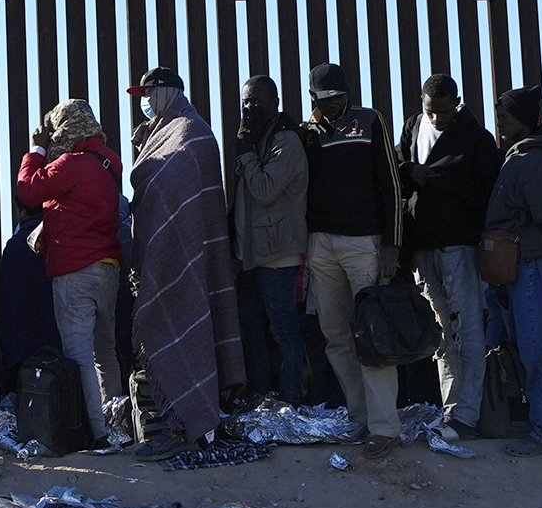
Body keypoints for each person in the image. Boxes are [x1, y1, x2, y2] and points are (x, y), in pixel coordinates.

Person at [125, 67, 246, 450]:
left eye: (150, 93)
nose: (145, 101)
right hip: (160, 261)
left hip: (190, 256)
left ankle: (193, 423)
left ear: (169, 92)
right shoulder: (155, 136)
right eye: (142, 95)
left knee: (192, 322)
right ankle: (173, 422)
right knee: (167, 330)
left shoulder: (193, 133)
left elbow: (184, 194)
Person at [299, 62, 405, 443]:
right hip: (320, 244)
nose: (332, 103)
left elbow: (392, 185)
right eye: (324, 98)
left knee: (372, 335)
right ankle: (360, 417)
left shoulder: (370, 121)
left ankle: (385, 428)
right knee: (336, 336)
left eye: (338, 96)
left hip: (364, 243)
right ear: (313, 98)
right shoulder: (306, 133)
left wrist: (392, 243)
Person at [17, 99, 131, 443]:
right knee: (105, 352)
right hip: (107, 268)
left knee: (80, 354)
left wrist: (37, 150)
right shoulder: (110, 161)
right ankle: (116, 426)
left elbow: (28, 191)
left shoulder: (71, 164)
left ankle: (97, 433)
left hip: (74, 270)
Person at [398, 75, 500, 434]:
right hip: (423, 247)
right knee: (442, 334)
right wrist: (410, 171)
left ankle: (465, 415)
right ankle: (451, 412)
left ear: (457, 103)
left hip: (458, 246)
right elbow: (396, 168)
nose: (437, 118)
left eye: (444, 111)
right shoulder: (413, 127)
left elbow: (487, 193)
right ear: (422, 103)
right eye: (431, 111)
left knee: (467, 330)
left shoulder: (477, 139)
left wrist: (446, 182)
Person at [482, 85, 542, 453]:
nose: (500, 123)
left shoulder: (531, 163)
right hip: (518, 268)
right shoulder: (518, 158)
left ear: (522, 119)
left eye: (505, 116)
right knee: (529, 347)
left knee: (539, 350)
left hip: (531, 266)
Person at [229, 78, 309, 408]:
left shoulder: (285, 141)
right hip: (251, 256)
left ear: (275, 102)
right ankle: (261, 400)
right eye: (246, 102)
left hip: (278, 256)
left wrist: (247, 154)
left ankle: (290, 401)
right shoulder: (258, 139)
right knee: (251, 333)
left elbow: (264, 190)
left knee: (284, 333)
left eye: (257, 102)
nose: (250, 109)